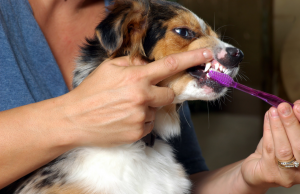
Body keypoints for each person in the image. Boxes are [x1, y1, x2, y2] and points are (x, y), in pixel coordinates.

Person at [1, 0, 300, 193]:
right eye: (186, 33)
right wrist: (77, 118)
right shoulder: (137, 22)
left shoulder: (148, 23)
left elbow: (180, 183)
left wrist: (253, 172)